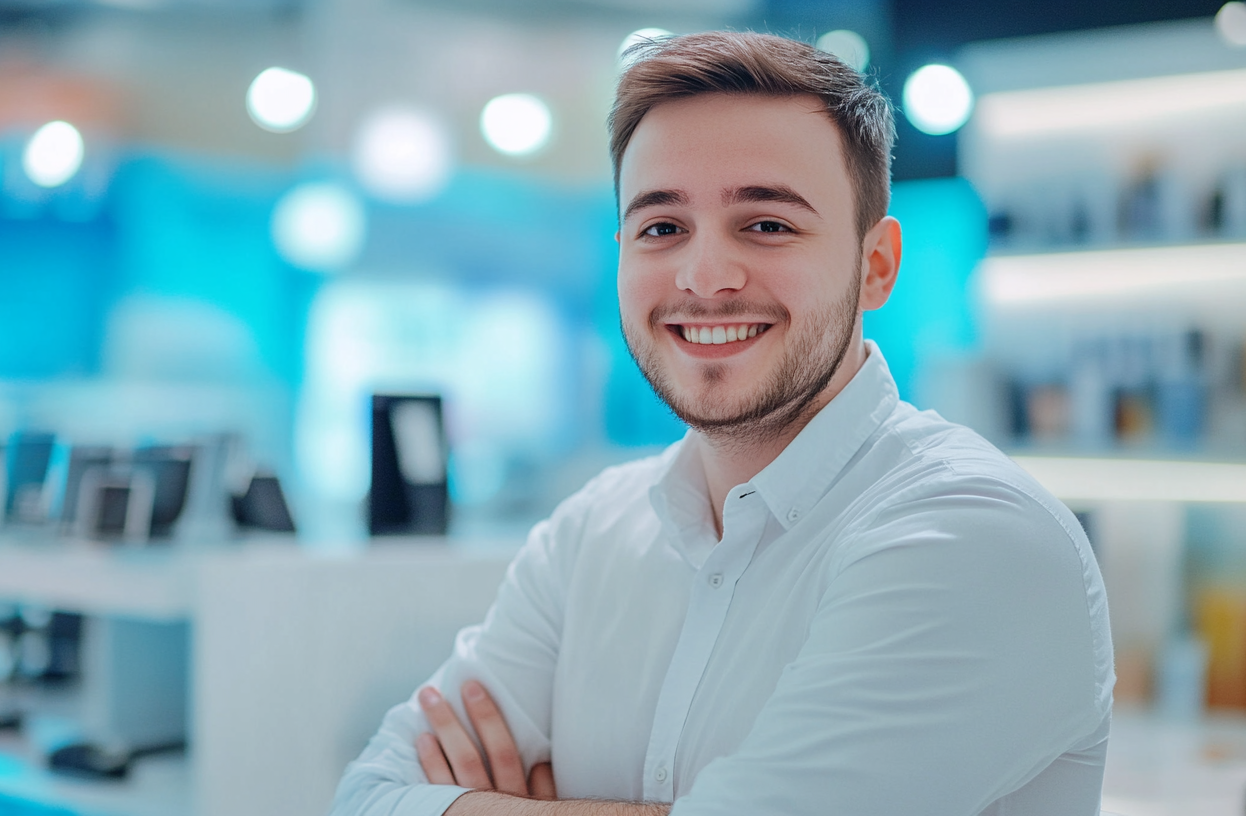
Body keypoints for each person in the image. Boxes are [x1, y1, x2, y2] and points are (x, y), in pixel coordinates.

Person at [331, 30, 1113, 816]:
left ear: (874, 265)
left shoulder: (969, 534)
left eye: (767, 224)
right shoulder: (589, 536)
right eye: (661, 228)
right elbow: (366, 797)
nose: (704, 277)